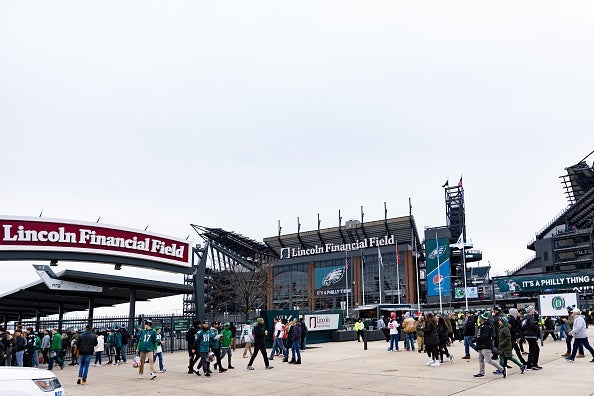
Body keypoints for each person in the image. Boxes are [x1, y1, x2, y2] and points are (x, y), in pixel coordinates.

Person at [473, 311, 505, 378]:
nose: (478, 318)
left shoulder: (487, 326)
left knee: (488, 360)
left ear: (482, 319)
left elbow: (484, 336)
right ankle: (481, 373)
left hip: (485, 345)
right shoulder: (482, 325)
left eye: (480, 318)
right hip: (480, 346)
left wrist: (475, 340)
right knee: (480, 360)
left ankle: (502, 369)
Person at [521, 306, 542, 370]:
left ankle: (532, 364)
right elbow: (532, 325)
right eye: (533, 310)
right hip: (531, 335)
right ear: (530, 311)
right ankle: (532, 365)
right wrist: (538, 328)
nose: (534, 311)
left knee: (534, 349)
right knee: (534, 350)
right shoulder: (531, 317)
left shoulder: (524, 317)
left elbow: (523, 326)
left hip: (527, 335)